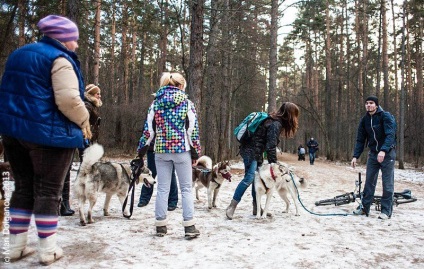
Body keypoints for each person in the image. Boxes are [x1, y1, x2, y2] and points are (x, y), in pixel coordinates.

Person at [0, 15, 90, 265]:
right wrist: (84, 121)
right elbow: (69, 100)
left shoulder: (19, 54)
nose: (76, 44)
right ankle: (47, 250)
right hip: (49, 135)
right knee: (49, 192)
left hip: (13, 132)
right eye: (74, 39)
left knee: (24, 188)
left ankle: (16, 246)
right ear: (62, 38)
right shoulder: (59, 59)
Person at [137, 72, 201, 238]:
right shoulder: (187, 104)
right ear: (180, 86)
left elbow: (148, 131)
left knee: (163, 188)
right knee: (186, 188)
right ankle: (189, 226)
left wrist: (141, 152)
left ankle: (160, 226)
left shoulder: (155, 104)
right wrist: (195, 152)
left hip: (161, 150)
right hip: (181, 151)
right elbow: (192, 130)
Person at [226, 102, 299, 220]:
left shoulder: (274, 121)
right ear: (290, 115)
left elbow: (268, 144)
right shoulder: (276, 123)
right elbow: (271, 146)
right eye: (295, 115)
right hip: (251, 151)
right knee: (249, 178)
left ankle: (257, 208)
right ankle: (231, 207)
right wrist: (273, 165)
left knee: (256, 179)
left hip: (255, 151)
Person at [351, 96, 397, 220]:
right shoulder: (364, 120)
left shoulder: (385, 116)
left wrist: (383, 150)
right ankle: (365, 209)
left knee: (387, 184)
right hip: (373, 154)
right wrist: (355, 156)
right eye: (366, 103)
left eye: (371, 103)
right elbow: (360, 140)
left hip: (387, 154)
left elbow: (390, 135)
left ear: (376, 105)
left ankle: (386, 211)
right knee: (369, 182)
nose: (368, 105)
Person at [61, 84, 103, 216]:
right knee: (78, 169)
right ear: (91, 95)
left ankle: (69, 201)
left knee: (84, 169)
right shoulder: (87, 105)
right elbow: (81, 123)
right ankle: (65, 203)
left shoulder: (92, 105)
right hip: (81, 139)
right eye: (97, 94)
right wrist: (84, 137)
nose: (99, 96)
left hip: (86, 140)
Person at [137, 126, 179, 211]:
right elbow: (147, 130)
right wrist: (142, 148)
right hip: (153, 148)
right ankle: (144, 198)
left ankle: (172, 201)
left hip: (171, 148)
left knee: (170, 174)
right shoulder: (154, 113)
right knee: (150, 173)